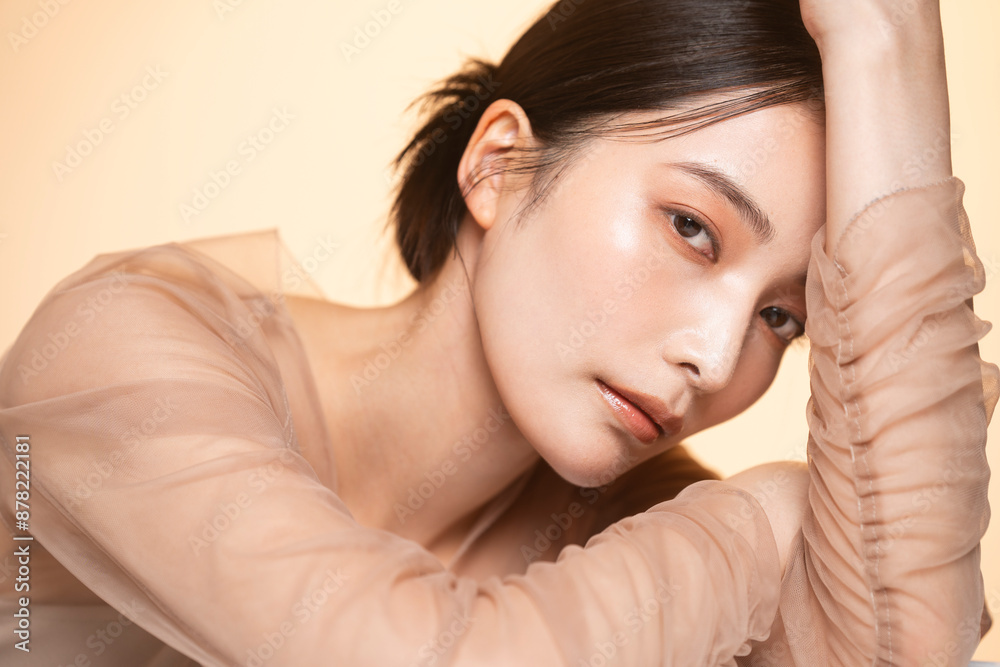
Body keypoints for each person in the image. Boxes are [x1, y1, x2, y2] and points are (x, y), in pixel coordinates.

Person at [0, 0, 997, 664]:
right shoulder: (120, 353)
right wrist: (772, 519)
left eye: (784, 317)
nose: (716, 353)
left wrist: (888, 48)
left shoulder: (638, 524)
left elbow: (903, 645)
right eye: (692, 228)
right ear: (497, 164)